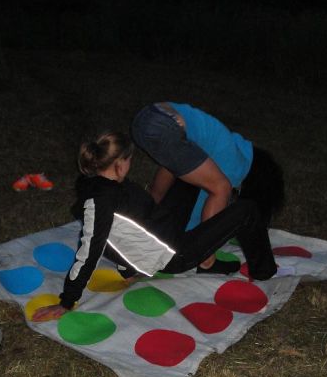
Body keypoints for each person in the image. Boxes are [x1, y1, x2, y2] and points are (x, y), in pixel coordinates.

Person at [32, 131, 277, 322]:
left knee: (188, 180)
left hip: (165, 228)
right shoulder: (100, 203)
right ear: (119, 164)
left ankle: (207, 254)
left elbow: (122, 231)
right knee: (247, 210)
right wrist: (66, 302)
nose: (130, 165)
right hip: (175, 254)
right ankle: (264, 272)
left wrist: (128, 269)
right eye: (129, 160)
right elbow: (91, 249)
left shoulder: (102, 184)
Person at [131, 102, 284, 270]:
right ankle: (207, 261)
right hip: (165, 123)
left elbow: (168, 168)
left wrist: (152, 206)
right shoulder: (234, 164)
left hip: (145, 118)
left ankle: (146, 222)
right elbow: (204, 215)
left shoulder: (226, 142)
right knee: (221, 188)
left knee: (180, 174)